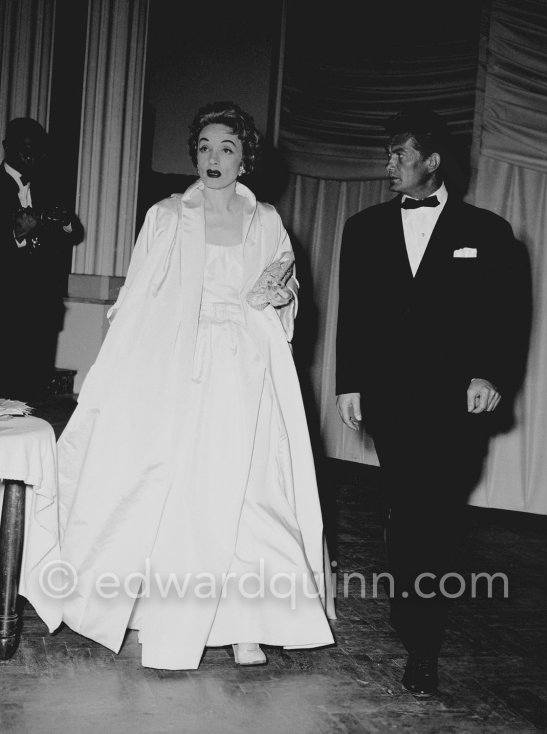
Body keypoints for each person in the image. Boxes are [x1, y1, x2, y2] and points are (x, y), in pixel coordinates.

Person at [57, 101, 335, 670]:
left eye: (226, 148)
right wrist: (115, 373)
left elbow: (285, 293)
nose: (213, 158)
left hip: (246, 370)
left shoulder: (268, 221)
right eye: (205, 147)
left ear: (244, 158)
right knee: (179, 490)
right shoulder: (164, 215)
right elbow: (135, 299)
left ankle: (247, 623)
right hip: (178, 369)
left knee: (253, 493)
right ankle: (167, 619)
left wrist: (279, 295)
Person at [336, 105, 520, 695]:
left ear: (432, 162)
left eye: (399, 155)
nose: (388, 165)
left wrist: (489, 374)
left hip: (455, 401)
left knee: (435, 516)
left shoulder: (487, 232)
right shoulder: (363, 228)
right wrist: (350, 382)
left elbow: (507, 315)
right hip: (391, 397)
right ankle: (417, 621)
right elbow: (354, 315)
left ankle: (422, 639)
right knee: (408, 510)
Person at [0, 117, 82, 400]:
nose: (32, 157)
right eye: (26, 150)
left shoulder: (47, 187)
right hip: (6, 306)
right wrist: (17, 233)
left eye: (37, 151)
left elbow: (74, 233)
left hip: (41, 306)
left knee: (31, 388)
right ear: (6, 147)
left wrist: (67, 221)